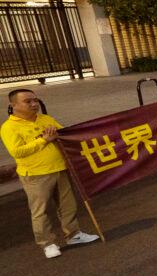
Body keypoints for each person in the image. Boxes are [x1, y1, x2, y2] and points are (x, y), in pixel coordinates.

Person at [1, 89, 99, 258]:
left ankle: (73, 234)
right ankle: (47, 243)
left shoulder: (46, 119)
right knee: (41, 210)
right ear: (13, 105)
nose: (33, 104)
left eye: (35, 100)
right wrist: (44, 140)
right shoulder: (9, 127)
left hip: (60, 168)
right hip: (35, 174)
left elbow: (65, 135)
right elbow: (17, 152)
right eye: (28, 101)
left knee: (67, 205)